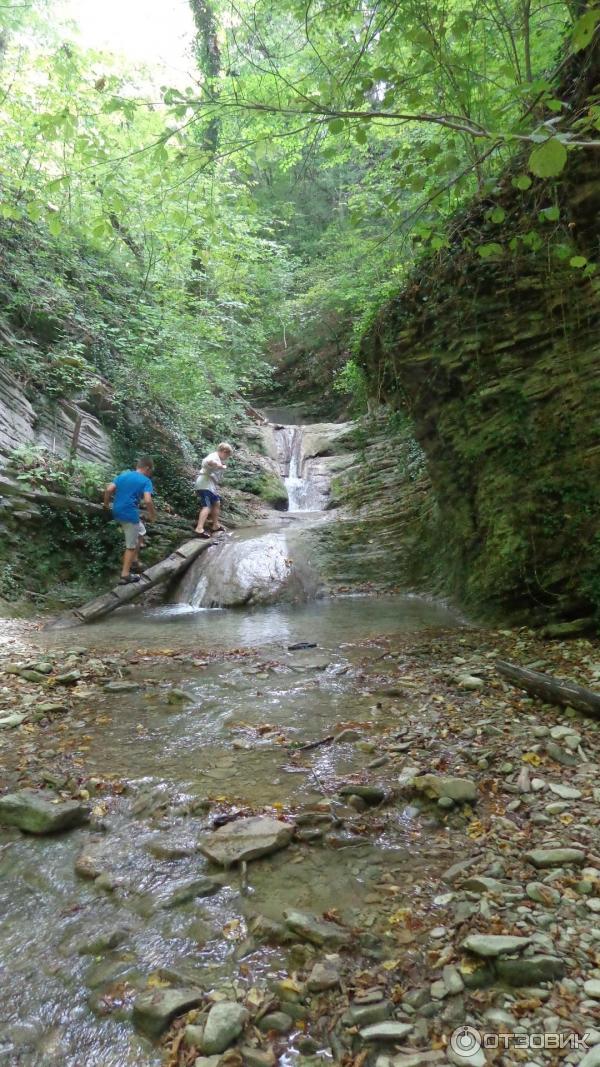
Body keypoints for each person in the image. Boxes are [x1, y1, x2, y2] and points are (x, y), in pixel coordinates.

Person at [104, 457, 156, 584]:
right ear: (147, 468)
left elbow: (108, 489)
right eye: (151, 471)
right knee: (130, 546)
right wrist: (152, 514)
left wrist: (106, 505)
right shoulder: (146, 481)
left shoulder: (123, 475)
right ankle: (125, 575)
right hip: (130, 514)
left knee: (141, 532)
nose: (151, 473)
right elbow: (148, 500)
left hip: (117, 510)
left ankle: (134, 560)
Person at [194, 442, 233, 539]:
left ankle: (215, 525)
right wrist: (218, 465)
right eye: (227, 455)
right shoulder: (213, 456)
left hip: (210, 485)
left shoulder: (218, 459)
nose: (227, 457)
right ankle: (199, 528)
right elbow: (207, 462)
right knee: (207, 507)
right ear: (224, 451)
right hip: (204, 484)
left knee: (216, 502)